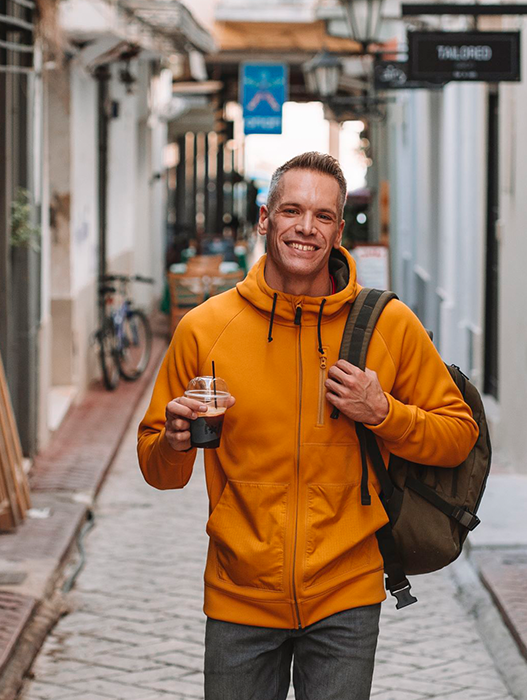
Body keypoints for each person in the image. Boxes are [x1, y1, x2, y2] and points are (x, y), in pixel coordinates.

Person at [137, 152, 478, 700]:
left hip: (346, 595)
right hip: (238, 597)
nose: (305, 228)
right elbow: (159, 470)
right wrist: (175, 443)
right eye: (291, 210)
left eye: (322, 216)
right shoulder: (204, 330)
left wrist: (384, 414)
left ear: (339, 230)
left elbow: (458, 434)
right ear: (264, 219)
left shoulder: (389, 324)